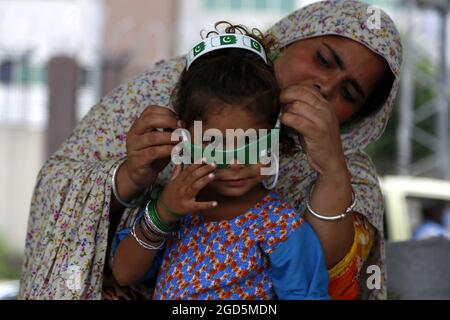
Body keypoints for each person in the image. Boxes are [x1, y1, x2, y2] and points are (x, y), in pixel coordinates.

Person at [19, 0, 402, 300]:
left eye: (349, 93)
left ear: (358, 120)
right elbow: (62, 190)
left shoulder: (349, 177)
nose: (325, 86)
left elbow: (325, 281)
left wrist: (332, 171)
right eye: (323, 59)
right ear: (290, 36)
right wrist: (129, 178)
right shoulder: (176, 88)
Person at [110, 30, 330, 300]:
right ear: (184, 139)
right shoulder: (176, 209)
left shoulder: (280, 228)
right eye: (215, 145)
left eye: (251, 143)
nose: (236, 163)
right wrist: (164, 212)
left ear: (277, 138)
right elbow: (123, 273)